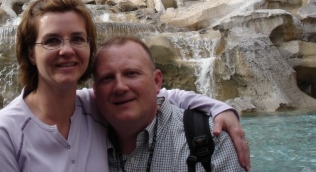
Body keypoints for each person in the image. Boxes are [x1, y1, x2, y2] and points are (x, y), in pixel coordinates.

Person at [0, 0, 250, 172]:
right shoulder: (0, 134)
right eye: (52, 40)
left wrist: (221, 109)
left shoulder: (93, 106)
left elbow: (158, 94)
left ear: (89, 47)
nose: (67, 50)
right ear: (31, 53)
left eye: (77, 39)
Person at [93, 36, 248, 171]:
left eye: (131, 73)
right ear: (94, 91)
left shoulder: (214, 138)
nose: (120, 87)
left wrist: (220, 107)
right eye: (107, 78)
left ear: (156, 81)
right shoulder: (82, 137)